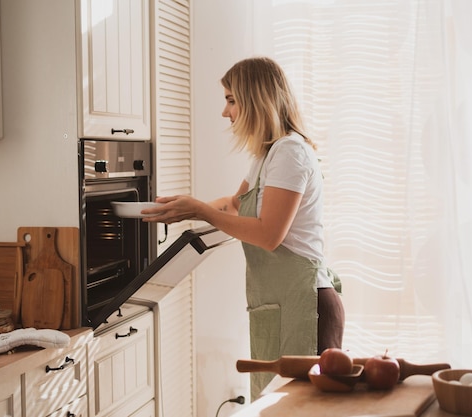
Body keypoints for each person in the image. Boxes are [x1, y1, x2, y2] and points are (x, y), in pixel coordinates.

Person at [143, 56, 344, 399]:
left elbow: (268, 235)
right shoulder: (267, 155)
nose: (226, 112)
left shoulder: (290, 152)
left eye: (231, 100)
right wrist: (182, 208)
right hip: (282, 305)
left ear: (256, 100)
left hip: (306, 307)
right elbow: (234, 206)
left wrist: (202, 211)